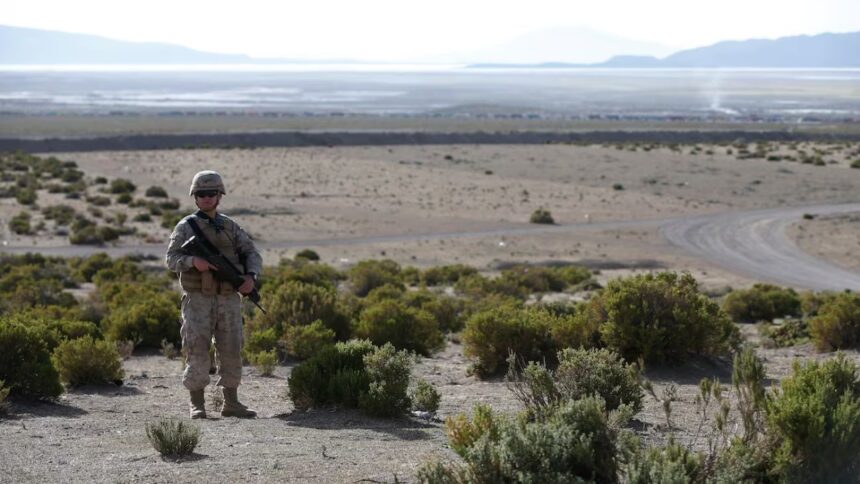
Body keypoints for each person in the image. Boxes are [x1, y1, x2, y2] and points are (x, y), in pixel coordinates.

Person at [165, 170, 262, 419]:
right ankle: (196, 404)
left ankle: (232, 402)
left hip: (228, 298)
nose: (206, 198)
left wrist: (250, 277)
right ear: (194, 197)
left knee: (231, 347)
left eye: (211, 194)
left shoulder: (230, 227)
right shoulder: (186, 227)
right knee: (196, 347)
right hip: (198, 298)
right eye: (201, 194)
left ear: (220, 196)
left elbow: (251, 253)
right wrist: (192, 261)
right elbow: (171, 259)